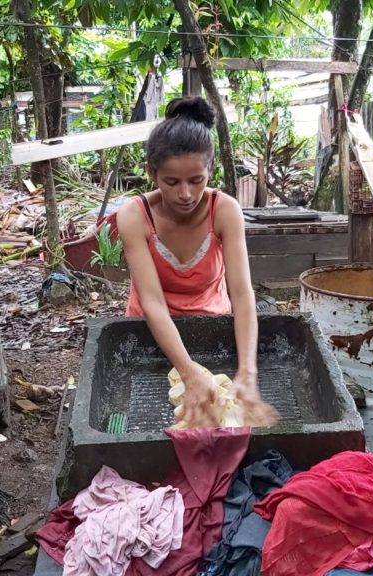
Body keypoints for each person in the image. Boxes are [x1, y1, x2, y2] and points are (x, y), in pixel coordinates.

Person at [117, 96, 278, 429]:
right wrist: (189, 373)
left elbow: (242, 293)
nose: (186, 194)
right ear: (152, 173)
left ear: (210, 170)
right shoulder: (135, 216)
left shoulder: (225, 210)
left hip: (211, 326)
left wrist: (247, 373)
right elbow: (152, 302)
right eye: (171, 182)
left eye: (196, 180)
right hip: (150, 331)